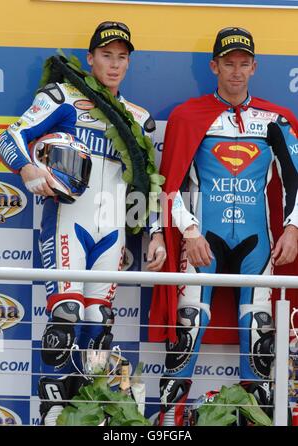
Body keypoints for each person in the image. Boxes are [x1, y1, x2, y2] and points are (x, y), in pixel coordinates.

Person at [0, 21, 166, 425]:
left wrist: (155, 231)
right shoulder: (62, 97)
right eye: (106, 56)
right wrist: (27, 172)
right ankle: (54, 414)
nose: (114, 64)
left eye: (121, 57)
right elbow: (10, 138)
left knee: (98, 324)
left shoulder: (137, 118)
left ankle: (88, 415)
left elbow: (149, 182)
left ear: (129, 63)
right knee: (67, 317)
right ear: (90, 59)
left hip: (114, 231)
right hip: (68, 223)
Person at [149, 26, 298, 426]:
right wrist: (191, 232)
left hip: (258, 248)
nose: (236, 71)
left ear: (254, 67)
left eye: (243, 64)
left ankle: (256, 422)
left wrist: (293, 228)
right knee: (186, 334)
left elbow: (294, 180)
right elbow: (167, 184)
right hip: (203, 246)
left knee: (260, 340)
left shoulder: (276, 119)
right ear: (214, 66)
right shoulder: (188, 115)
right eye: (228, 63)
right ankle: (167, 427)